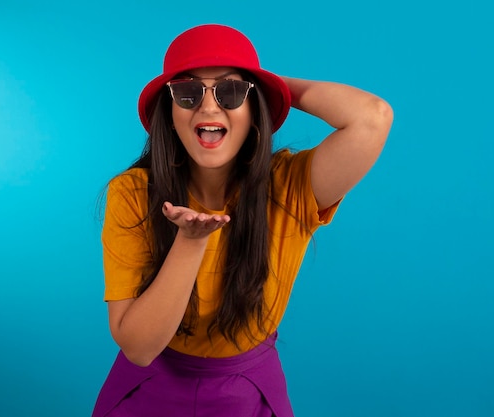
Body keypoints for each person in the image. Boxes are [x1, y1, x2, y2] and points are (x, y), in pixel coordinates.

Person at [92, 23, 393, 417]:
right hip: (149, 393)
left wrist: (268, 85)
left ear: (256, 112)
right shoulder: (132, 193)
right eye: (188, 92)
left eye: (231, 92)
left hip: (249, 395)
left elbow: (372, 117)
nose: (209, 107)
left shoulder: (290, 186)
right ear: (169, 113)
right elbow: (139, 348)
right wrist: (190, 241)